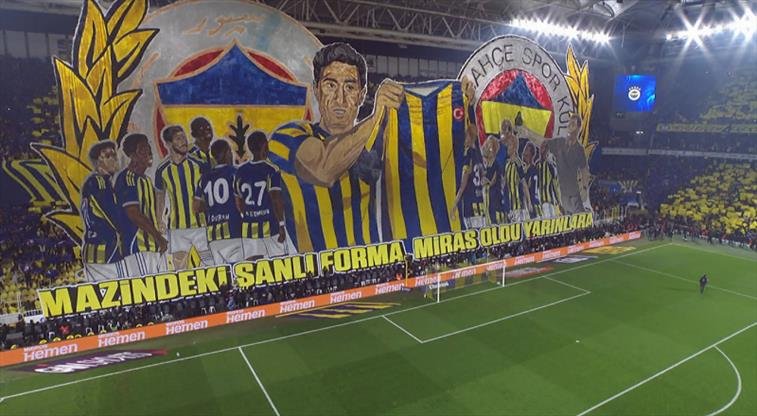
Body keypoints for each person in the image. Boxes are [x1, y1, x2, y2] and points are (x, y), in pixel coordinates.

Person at [269, 42, 403, 252]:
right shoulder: (287, 136)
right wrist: (376, 118)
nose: (340, 99)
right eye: (330, 85)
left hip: (372, 265)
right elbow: (322, 169)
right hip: (315, 270)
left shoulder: (380, 142)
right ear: (316, 90)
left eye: (350, 87)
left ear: (362, 95)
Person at [155, 125, 209, 270]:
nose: (184, 141)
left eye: (184, 137)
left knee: (210, 264)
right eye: (178, 138)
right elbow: (160, 196)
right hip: (177, 228)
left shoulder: (199, 164)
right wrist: (159, 219)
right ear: (168, 144)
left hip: (201, 225)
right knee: (180, 268)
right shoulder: (162, 170)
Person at [515, 113, 591, 214]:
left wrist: (585, 188)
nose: (569, 126)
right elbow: (543, 142)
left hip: (574, 194)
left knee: (579, 220)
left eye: (573, 124)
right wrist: (527, 133)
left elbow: (584, 170)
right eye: (569, 123)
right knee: (566, 220)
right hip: (563, 195)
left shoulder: (579, 149)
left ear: (578, 129)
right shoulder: (560, 143)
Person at [114, 133, 168, 276]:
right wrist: (159, 238)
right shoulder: (127, 178)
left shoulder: (146, 180)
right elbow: (134, 214)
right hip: (136, 247)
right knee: (145, 287)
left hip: (152, 246)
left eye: (148, 147)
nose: (149, 152)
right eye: (143, 149)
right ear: (133, 156)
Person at [235, 131, 291, 259]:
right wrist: (281, 225)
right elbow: (275, 198)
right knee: (279, 265)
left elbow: (238, 201)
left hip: (248, 228)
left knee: (253, 266)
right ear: (265, 145)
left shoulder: (241, 171)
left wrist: (249, 214)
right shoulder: (272, 169)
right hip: (271, 226)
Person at [80, 141, 126, 281]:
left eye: (114, 154)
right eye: (108, 155)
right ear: (98, 161)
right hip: (105, 252)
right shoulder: (99, 182)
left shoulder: (101, 182)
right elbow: (114, 216)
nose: (115, 159)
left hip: (96, 251)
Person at [193, 140, 243, 265]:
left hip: (213, 235)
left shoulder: (204, 178)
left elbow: (196, 207)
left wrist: (212, 207)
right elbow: (240, 203)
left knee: (222, 273)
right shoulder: (235, 172)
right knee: (237, 271)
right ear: (227, 153)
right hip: (233, 231)